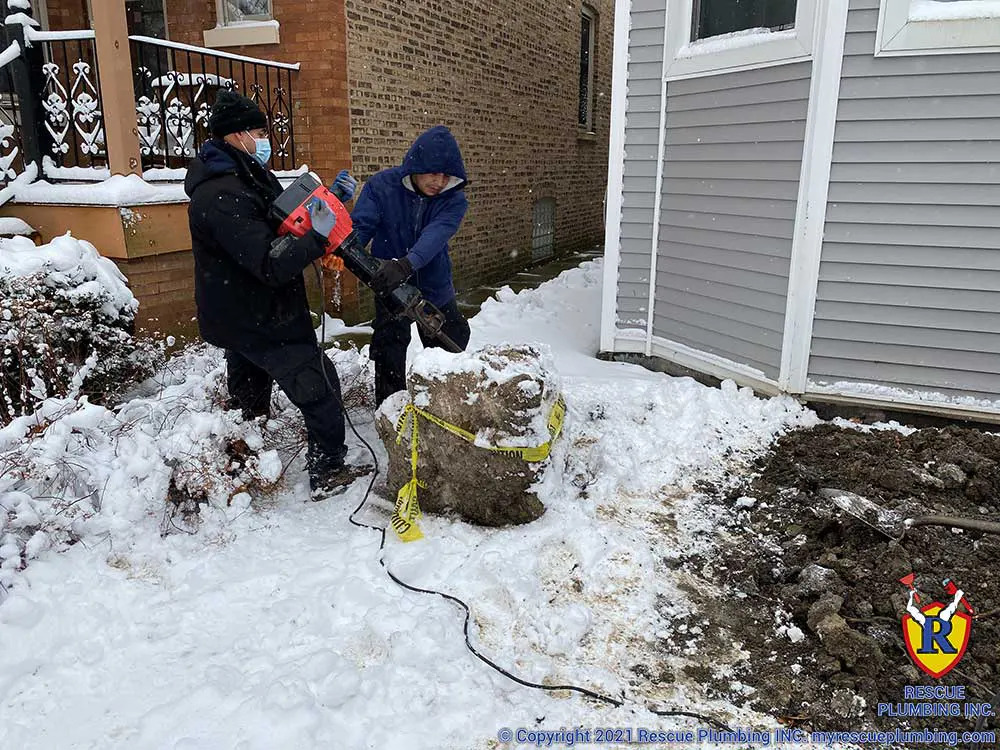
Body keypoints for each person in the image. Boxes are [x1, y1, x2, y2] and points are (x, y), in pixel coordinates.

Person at [185, 90, 367, 499]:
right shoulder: (221, 194)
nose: (263, 138)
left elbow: (281, 218)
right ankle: (327, 470)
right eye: (257, 131)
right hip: (261, 317)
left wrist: (330, 202)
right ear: (235, 135)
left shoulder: (242, 174)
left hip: (241, 314)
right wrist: (317, 238)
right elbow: (269, 261)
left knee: (249, 399)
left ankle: (244, 467)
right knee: (319, 384)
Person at [349, 125, 472, 405]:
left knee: (448, 341)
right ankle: (389, 409)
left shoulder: (453, 199)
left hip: (433, 282)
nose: (439, 182)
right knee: (389, 345)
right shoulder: (382, 187)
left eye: (446, 175)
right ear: (417, 166)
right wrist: (348, 249)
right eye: (432, 173)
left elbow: (436, 234)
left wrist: (406, 265)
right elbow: (362, 226)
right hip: (388, 281)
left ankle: (443, 406)